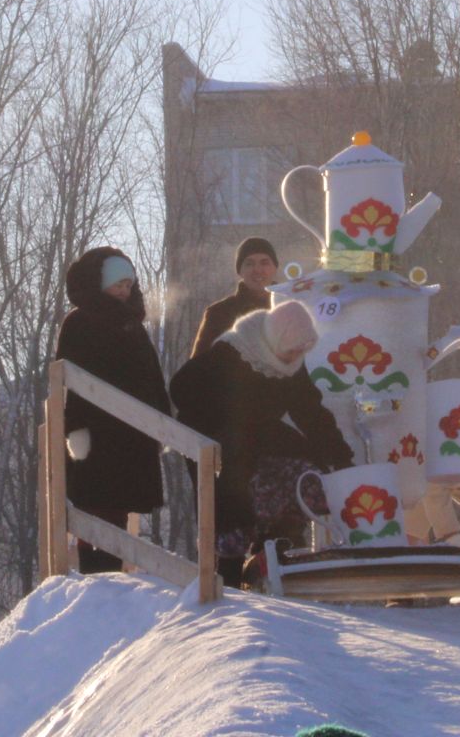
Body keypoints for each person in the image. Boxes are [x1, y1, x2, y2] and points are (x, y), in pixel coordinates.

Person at [170, 299, 354, 585]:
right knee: (235, 491)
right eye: (292, 349)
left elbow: (310, 412)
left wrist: (340, 456)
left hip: (259, 435)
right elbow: (181, 388)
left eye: (301, 350)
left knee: (305, 466)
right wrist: (226, 417)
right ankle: (229, 576)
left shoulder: (291, 362)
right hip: (217, 436)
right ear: (276, 340)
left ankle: (275, 548)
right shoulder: (232, 351)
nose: (296, 355)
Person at [55, 246, 172, 573]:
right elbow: (68, 378)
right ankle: (96, 574)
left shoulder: (133, 325)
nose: (124, 290)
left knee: (118, 507)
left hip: (133, 434)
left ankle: (111, 573)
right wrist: (75, 426)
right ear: (98, 282)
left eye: (128, 285)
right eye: (117, 284)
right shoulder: (79, 322)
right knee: (95, 505)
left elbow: (153, 376)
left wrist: (162, 419)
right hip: (97, 430)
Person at [190, 236, 279, 357]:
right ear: (240, 271)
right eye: (249, 263)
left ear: (275, 268)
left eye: (264, 263)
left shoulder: (295, 310)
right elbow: (197, 369)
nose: (257, 270)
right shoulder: (218, 314)